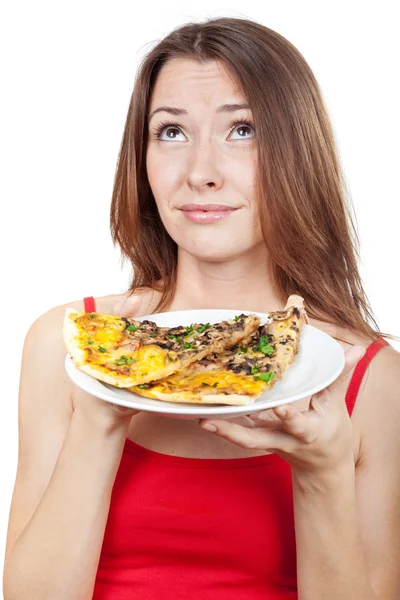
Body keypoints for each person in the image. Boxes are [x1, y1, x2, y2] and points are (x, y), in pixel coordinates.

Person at [3, 16, 400, 600]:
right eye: (170, 133)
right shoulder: (65, 344)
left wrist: (323, 476)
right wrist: (103, 407)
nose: (200, 173)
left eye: (243, 130)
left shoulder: (367, 379)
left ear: (297, 152)